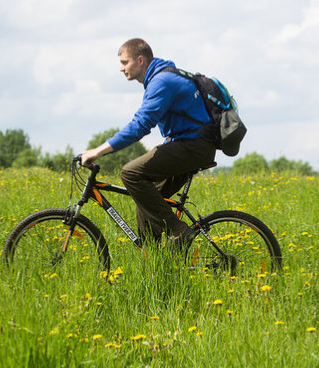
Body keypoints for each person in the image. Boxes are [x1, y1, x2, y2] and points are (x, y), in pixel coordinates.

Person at [80, 39, 218, 250]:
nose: (121, 68)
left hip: (193, 146)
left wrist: (98, 151)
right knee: (146, 202)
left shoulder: (161, 82)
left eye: (125, 62)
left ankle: (178, 229)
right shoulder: (163, 77)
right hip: (191, 145)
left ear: (140, 60)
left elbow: (140, 126)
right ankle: (154, 264)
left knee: (130, 173)